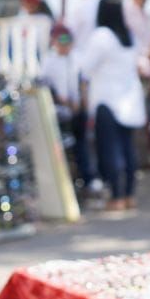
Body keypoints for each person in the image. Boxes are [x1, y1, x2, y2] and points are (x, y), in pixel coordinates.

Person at [78, 0, 145, 211]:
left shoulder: (101, 36)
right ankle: (129, 194)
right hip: (129, 101)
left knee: (110, 150)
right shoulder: (129, 36)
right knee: (128, 149)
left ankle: (116, 196)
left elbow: (85, 68)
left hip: (106, 100)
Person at [40, 25, 101, 199]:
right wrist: (63, 101)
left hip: (78, 111)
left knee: (82, 146)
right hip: (60, 112)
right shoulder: (49, 62)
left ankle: (88, 179)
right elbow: (47, 86)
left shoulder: (77, 58)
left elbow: (84, 82)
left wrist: (82, 103)